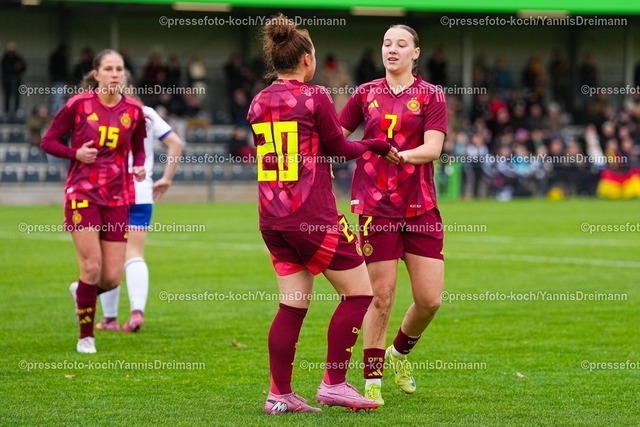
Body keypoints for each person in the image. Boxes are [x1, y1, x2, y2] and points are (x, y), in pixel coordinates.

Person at [247, 13, 398, 415]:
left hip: (271, 217)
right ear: (307, 60)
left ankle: (279, 394)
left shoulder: (259, 101)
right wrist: (376, 144)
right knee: (360, 293)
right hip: (311, 215)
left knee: (292, 305)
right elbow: (339, 149)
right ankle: (334, 383)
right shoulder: (314, 96)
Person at [339, 24, 448, 405]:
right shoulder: (364, 93)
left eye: (401, 44)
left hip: (420, 207)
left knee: (430, 300)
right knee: (381, 296)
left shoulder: (431, 95)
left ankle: (398, 353)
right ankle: (372, 382)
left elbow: (433, 148)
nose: (392, 49)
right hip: (376, 207)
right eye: (387, 43)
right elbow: (336, 136)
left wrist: (400, 155)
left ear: (415, 53)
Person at [41, 49, 147, 353]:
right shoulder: (78, 105)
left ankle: (81, 292)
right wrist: (75, 153)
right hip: (82, 194)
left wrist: (139, 166)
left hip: (117, 197)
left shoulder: (134, 110)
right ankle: (86, 337)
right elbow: (48, 141)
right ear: (96, 74)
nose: (115, 74)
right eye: (109, 69)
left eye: (119, 69)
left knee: (111, 277)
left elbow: (139, 148)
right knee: (91, 267)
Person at [96, 78, 183, 333]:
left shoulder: (102, 115)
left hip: (111, 193)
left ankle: (109, 318)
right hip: (142, 192)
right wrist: (166, 178)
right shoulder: (147, 114)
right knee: (134, 253)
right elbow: (176, 143)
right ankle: (136, 312)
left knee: (108, 255)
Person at [1, 42, 27, 120]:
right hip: (7, 80)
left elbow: (23, 67)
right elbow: (4, 68)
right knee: (7, 96)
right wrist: (14, 67)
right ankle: (6, 111)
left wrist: (19, 67)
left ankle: (16, 111)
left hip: (16, 80)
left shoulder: (18, 58)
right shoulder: (5, 58)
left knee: (17, 96)